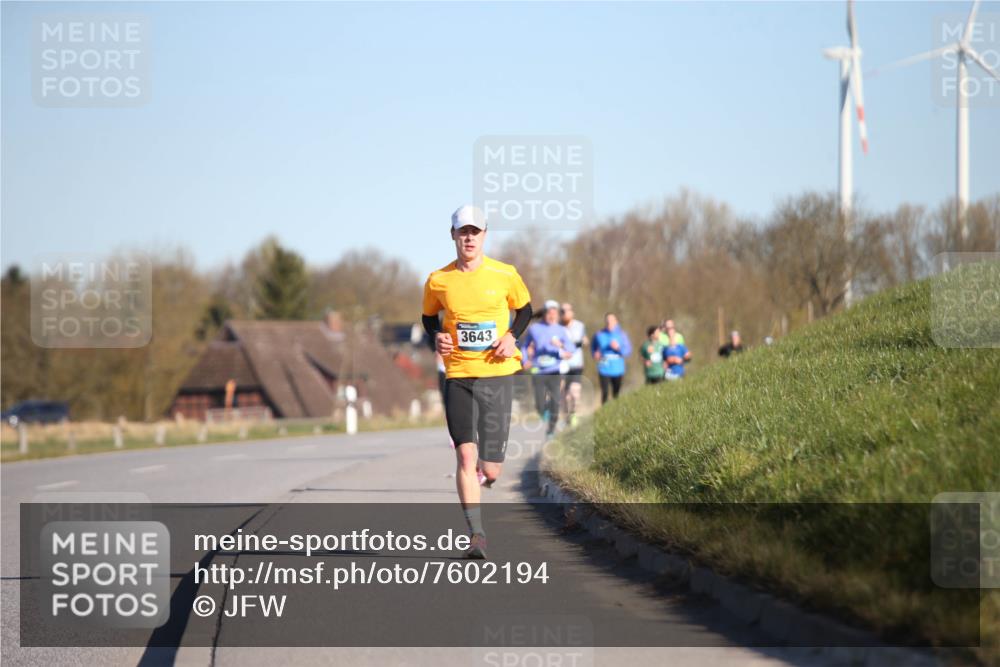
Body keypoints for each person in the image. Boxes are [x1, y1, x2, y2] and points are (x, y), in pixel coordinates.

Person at [422, 205, 532, 560]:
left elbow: (525, 309)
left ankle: (487, 475)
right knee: (465, 455)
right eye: (462, 231)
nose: (469, 237)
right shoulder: (438, 280)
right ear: (452, 235)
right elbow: (428, 319)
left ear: (485, 235)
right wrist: (436, 336)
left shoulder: (505, 274)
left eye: (475, 231)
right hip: (458, 374)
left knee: (491, 468)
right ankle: (477, 536)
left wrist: (512, 336)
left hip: (497, 374)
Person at [524, 300, 575, 436]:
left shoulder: (561, 330)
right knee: (540, 405)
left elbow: (571, 348)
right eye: (549, 313)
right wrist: (525, 360)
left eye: (554, 314)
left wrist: (561, 345)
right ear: (545, 314)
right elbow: (524, 346)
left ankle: (551, 431)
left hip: (555, 370)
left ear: (558, 315)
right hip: (538, 370)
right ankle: (543, 411)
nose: (552, 316)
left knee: (556, 401)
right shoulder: (534, 329)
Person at [591, 312, 631, 403]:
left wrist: (618, 348)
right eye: (607, 320)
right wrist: (595, 354)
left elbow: (628, 351)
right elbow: (593, 348)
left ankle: (615, 412)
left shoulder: (622, 334)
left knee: (616, 393)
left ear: (616, 321)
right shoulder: (599, 334)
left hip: (617, 367)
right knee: (604, 392)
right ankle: (603, 412)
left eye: (612, 320)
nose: (609, 322)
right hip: (604, 366)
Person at [559, 302, 587, 427]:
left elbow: (585, 340)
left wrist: (584, 341)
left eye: (567, 310)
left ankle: (574, 414)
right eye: (562, 311)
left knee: (575, 392)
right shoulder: (557, 327)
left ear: (572, 312)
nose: (564, 313)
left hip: (576, 363)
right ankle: (566, 416)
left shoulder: (580, 326)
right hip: (562, 364)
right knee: (565, 394)